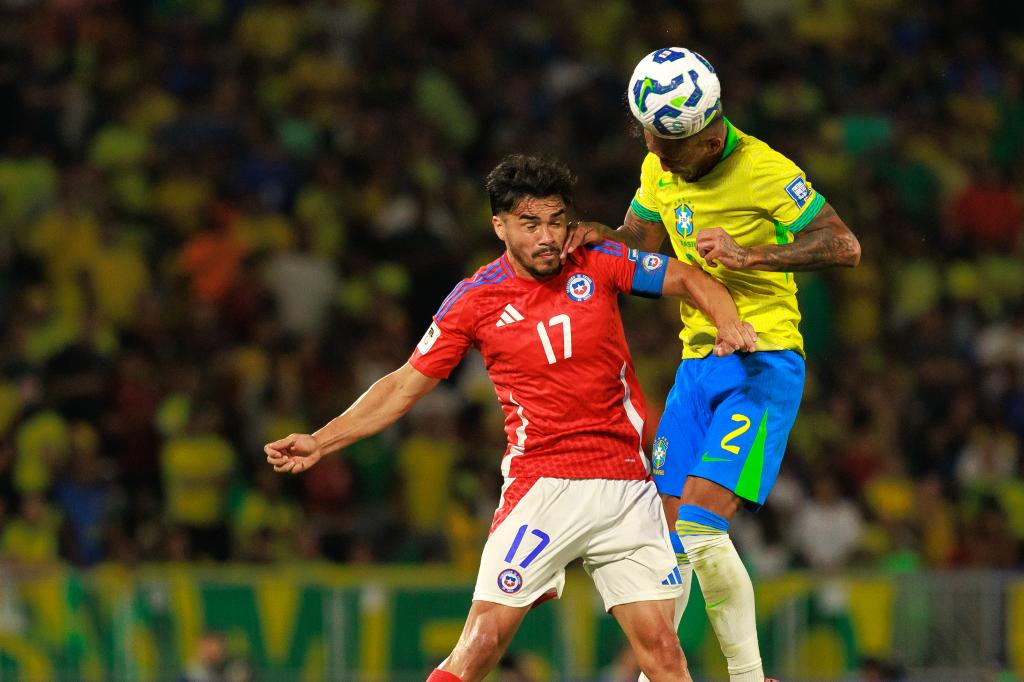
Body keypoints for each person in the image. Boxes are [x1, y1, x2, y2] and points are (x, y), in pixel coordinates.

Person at [264, 154, 757, 682]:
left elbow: (687, 277)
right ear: (499, 225)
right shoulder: (475, 299)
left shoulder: (597, 259)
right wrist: (321, 440)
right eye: (530, 224)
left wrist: (728, 323)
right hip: (542, 487)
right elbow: (404, 385)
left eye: (556, 221)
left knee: (664, 653)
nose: (547, 238)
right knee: (482, 642)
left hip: (626, 487)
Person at [563, 48, 862, 682]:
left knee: (700, 528)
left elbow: (844, 244)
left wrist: (752, 255)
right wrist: (597, 235)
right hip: (696, 365)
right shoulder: (658, 162)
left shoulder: (764, 169)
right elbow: (639, 242)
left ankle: (748, 677)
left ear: (709, 131)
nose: (658, 154)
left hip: (761, 360)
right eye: (649, 140)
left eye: (671, 147)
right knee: (666, 546)